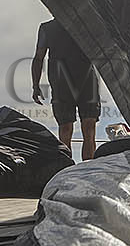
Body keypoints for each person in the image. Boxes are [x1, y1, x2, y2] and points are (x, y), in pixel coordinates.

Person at [31, 18, 100, 158]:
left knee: (89, 127)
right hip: (61, 82)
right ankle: (66, 169)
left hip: (86, 80)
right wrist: (35, 85)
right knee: (65, 127)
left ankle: (89, 170)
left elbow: (104, 49)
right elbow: (39, 57)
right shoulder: (47, 28)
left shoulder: (87, 24)